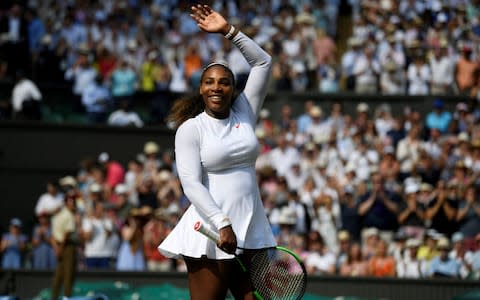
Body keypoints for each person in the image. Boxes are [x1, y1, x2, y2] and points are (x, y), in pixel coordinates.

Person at [158, 4, 276, 299]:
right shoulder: (190, 129)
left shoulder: (245, 111)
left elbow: (263, 63)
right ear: (200, 89)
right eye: (209, 82)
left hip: (252, 228)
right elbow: (191, 184)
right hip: (212, 232)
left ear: (233, 88)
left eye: (224, 82)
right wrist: (223, 225)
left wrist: (229, 31)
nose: (216, 88)